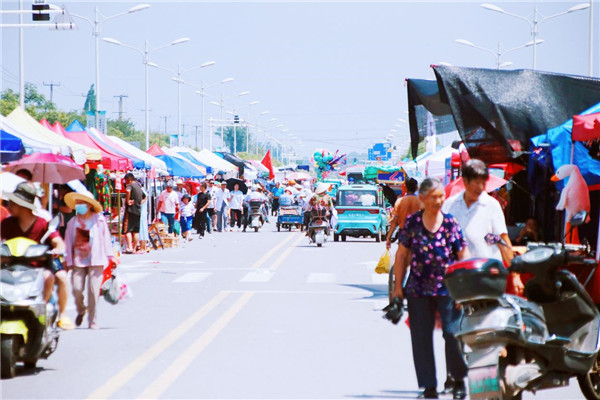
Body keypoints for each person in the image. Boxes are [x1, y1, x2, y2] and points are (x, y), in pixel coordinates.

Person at [392, 178, 470, 399]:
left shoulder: (450, 224)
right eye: (434, 197)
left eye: (441, 196)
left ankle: (457, 378)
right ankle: (429, 385)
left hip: (449, 289)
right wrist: (398, 287)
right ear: (423, 198)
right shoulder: (413, 223)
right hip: (418, 289)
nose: (438, 201)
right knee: (421, 336)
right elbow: (402, 255)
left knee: (452, 333)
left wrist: (464, 288)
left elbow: (463, 255)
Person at [442, 159, 524, 295]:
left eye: (483, 182)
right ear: (466, 181)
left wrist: (515, 276)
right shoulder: (450, 205)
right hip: (457, 279)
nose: (480, 187)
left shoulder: (491, 205)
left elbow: (502, 241)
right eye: (476, 182)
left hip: (487, 277)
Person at [1, 182, 73, 329]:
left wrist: (57, 249)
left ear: (23, 206)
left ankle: (55, 312)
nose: (10, 207)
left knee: (57, 277)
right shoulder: (7, 224)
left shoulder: (42, 223)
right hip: (11, 267)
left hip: (37, 269)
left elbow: (58, 242)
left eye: (13, 204)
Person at [64, 190, 113, 330]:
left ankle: (93, 320)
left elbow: (106, 238)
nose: (79, 206)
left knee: (93, 290)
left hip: (96, 259)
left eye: (82, 203)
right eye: (77, 203)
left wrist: (111, 256)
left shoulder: (99, 220)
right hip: (78, 260)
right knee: (77, 288)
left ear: (89, 205)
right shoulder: (72, 222)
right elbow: (68, 242)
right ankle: (81, 309)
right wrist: (67, 261)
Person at [386, 177, 423, 250]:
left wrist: (388, 237)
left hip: (403, 233)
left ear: (405, 187)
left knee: (402, 256)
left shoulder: (400, 202)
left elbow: (395, 221)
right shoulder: (420, 202)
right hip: (417, 233)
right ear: (416, 188)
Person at [123, 173, 144, 254]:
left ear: (129, 179)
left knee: (127, 230)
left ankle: (129, 247)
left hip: (130, 211)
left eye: (125, 180)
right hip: (138, 211)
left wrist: (128, 201)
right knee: (136, 231)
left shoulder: (130, 185)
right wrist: (138, 203)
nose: (125, 182)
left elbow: (127, 190)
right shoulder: (138, 186)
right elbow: (144, 197)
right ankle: (134, 249)